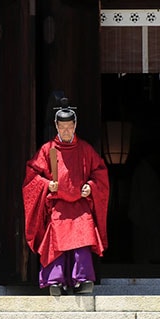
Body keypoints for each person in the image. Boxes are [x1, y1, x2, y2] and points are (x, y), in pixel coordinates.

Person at [22, 98, 110, 295]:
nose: (66, 131)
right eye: (62, 127)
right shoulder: (47, 150)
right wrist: (46, 184)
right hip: (58, 205)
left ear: (75, 125)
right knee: (57, 244)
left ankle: (83, 279)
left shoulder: (85, 150)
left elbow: (100, 172)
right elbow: (32, 175)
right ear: (56, 126)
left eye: (70, 127)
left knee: (82, 241)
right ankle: (56, 280)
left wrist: (91, 186)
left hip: (80, 205)